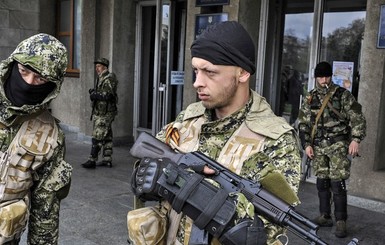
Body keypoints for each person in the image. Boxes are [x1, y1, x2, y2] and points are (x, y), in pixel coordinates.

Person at [130, 21, 301, 245]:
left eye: (210, 72)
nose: (197, 83)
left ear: (242, 73)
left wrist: (189, 186)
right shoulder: (189, 118)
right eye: (196, 70)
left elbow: (263, 232)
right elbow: (143, 173)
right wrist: (152, 175)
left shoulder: (276, 140)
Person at [0, 34, 72, 244]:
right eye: (24, 72)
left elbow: (45, 213)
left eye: (40, 79)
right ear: (12, 65)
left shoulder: (50, 136)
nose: (29, 83)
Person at [298, 61, 366, 238]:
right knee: (322, 182)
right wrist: (306, 145)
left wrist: (356, 140)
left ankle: (341, 221)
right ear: (315, 77)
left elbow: (358, 118)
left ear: (331, 76)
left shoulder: (342, 95)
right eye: (320, 77)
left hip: (337, 145)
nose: (323, 80)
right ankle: (325, 216)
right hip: (318, 147)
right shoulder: (310, 97)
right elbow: (303, 124)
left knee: (338, 184)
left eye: (326, 76)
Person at [82, 58, 118, 169]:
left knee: (97, 136)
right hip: (101, 112)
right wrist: (94, 92)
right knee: (107, 136)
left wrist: (95, 95)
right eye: (96, 66)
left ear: (105, 67)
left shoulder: (109, 78)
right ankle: (107, 160)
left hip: (105, 113)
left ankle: (92, 160)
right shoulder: (101, 78)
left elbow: (108, 95)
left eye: (99, 66)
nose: (96, 68)